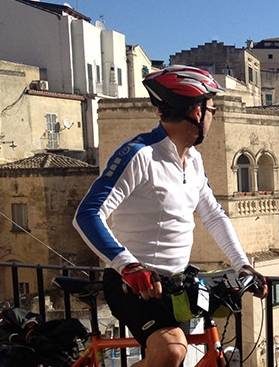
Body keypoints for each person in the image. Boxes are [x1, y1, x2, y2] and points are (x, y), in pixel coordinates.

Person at [73, 65, 266, 367]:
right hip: (135, 284)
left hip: (177, 282)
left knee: (190, 351)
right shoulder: (140, 155)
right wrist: (128, 265)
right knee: (171, 351)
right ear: (196, 111)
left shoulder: (195, 161)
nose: (213, 115)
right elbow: (87, 214)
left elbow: (213, 215)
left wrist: (243, 264)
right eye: (211, 108)